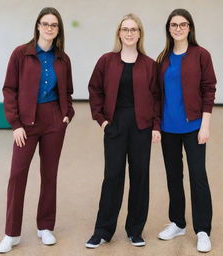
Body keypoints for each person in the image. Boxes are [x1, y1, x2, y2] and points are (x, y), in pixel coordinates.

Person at [0, 7, 74, 253]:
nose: (49, 28)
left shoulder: (63, 58)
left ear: (58, 29)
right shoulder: (21, 54)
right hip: (26, 123)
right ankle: (11, 233)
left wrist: (66, 115)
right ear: (38, 26)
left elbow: (68, 92)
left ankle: (45, 227)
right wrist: (15, 124)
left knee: (49, 175)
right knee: (17, 175)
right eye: (45, 23)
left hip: (54, 120)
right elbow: (9, 89)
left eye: (54, 25)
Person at [86, 13, 161, 249]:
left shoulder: (150, 65)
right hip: (115, 126)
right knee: (112, 177)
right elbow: (94, 89)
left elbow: (158, 97)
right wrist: (102, 120)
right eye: (125, 29)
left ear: (139, 34)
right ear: (119, 33)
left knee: (140, 178)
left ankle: (135, 230)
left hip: (141, 127)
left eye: (134, 29)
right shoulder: (106, 61)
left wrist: (156, 126)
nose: (129, 33)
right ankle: (103, 230)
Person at [156, 9, 216, 253]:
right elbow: (156, 94)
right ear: (169, 29)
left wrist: (205, 125)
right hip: (168, 128)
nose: (178, 28)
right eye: (173, 25)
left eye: (182, 24)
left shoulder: (201, 55)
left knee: (198, 177)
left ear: (190, 28)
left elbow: (209, 89)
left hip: (193, 127)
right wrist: (155, 125)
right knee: (173, 176)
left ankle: (202, 230)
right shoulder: (163, 58)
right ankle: (178, 222)